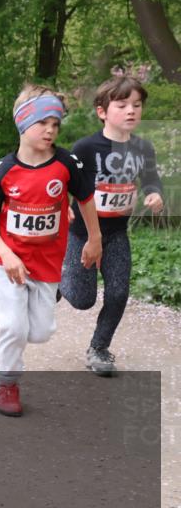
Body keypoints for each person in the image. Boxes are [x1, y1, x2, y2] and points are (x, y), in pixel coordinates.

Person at [0, 84, 102, 417]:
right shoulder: (1, 172)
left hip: (46, 261)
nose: (51, 130)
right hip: (8, 261)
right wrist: (6, 254)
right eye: (43, 122)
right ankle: (7, 384)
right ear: (22, 123)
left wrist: (94, 238)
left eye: (56, 124)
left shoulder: (65, 163)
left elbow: (85, 199)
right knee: (13, 328)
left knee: (41, 332)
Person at [59, 76, 164, 376]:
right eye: (122, 105)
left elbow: (151, 178)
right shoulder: (86, 147)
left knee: (118, 293)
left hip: (117, 235)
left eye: (137, 105)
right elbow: (65, 180)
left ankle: (99, 348)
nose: (131, 110)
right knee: (82, 300)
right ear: (102, 111)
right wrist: (63, 203)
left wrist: (153, 193)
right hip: (82, 234)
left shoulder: (143, 148)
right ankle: (58, 279)